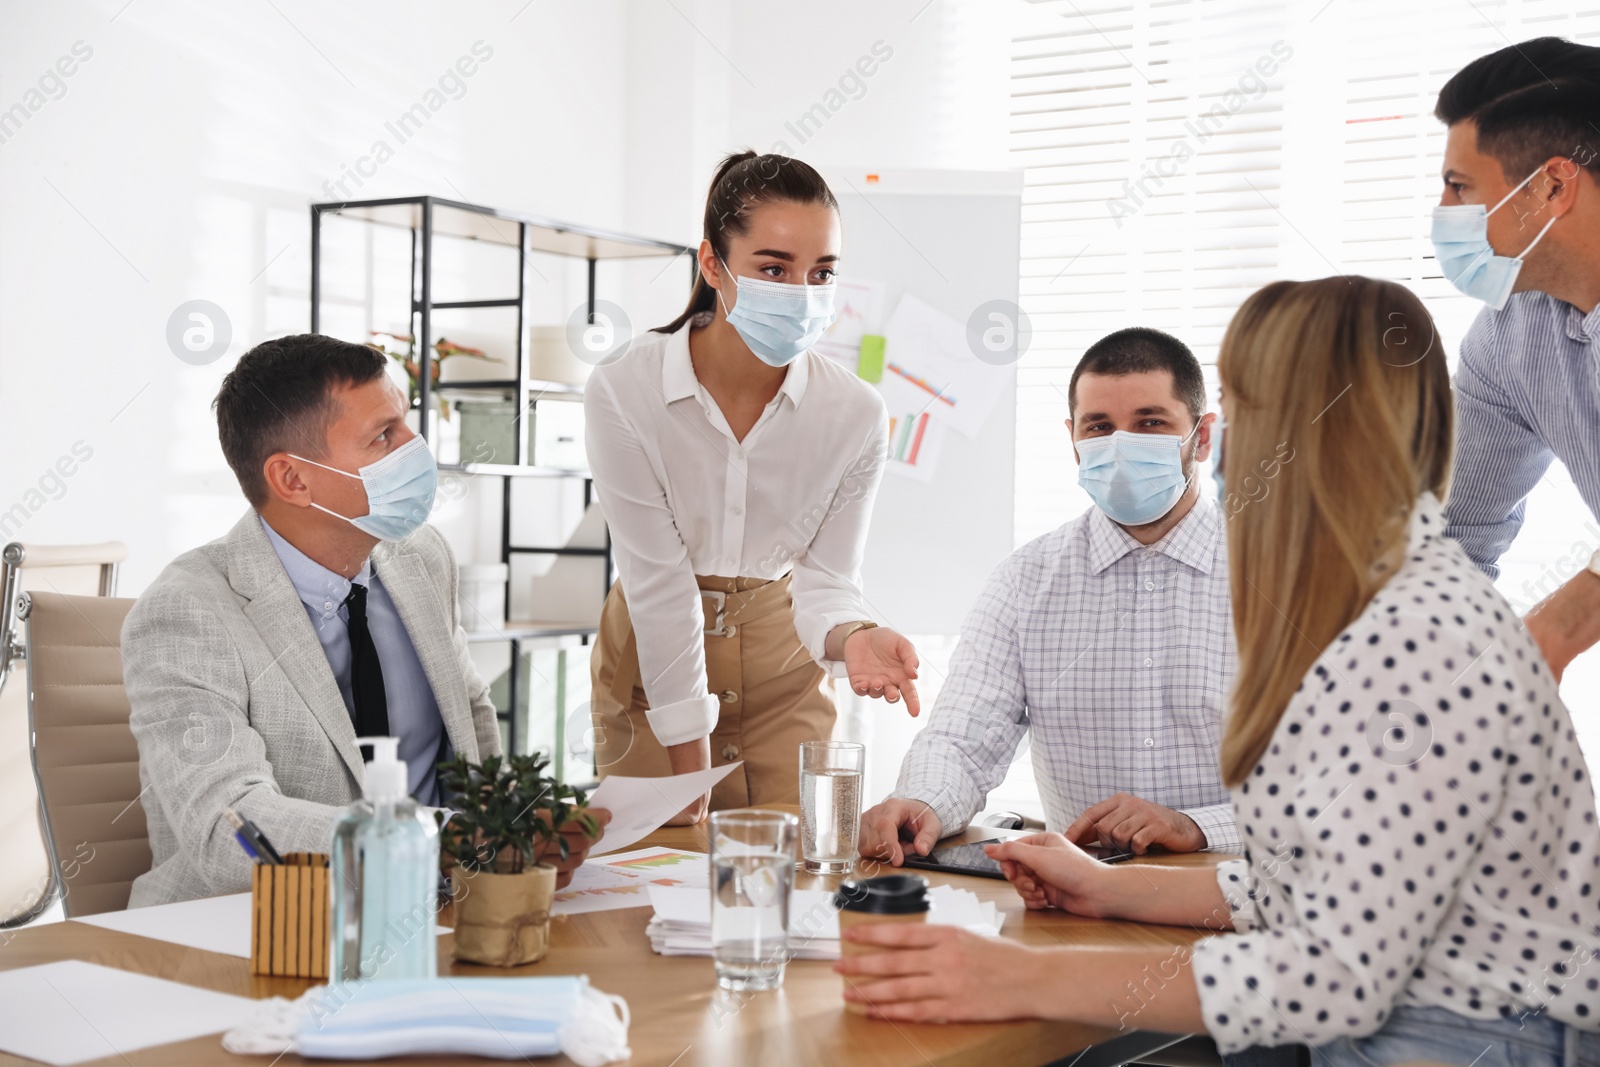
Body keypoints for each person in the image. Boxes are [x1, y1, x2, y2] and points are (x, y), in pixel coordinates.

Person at [834, 277, 1600, 1066]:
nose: (1227, 441)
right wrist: (1104, 885)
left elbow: (1335, 975)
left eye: (1245, 407)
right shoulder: (1395, 587)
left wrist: (1025, 977)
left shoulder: (1404, 629)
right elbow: (1302, 877)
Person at [123, 335, 606, 907]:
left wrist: (514, 823)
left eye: (405, 423)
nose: (415, 446)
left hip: (443, 911)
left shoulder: (422, 557)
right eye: (383, 436)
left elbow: (470, 720)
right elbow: (231, 826)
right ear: (293, 480)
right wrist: (438, 840)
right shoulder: (187, 613)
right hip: (259, 931)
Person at [584, 151, 920, 822]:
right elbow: (659, 584)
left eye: (820, 272)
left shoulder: (853, 413)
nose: (802, 293)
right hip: (651, 673)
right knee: (655, 885)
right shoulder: (625, 389)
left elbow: (826, 581)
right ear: (712, 263)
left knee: (799, 879)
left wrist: (853, 635)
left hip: (784, 673)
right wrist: (689, 768)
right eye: (773, 268)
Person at [857, 328, 1240, 863]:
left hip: (1248, 903)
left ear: (1201, 438)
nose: (1121, 444)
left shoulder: (1288, 576)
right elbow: (965, 740)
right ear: (1073, 439)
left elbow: (1336, 778)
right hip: (1081, 903)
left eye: (1150, 423)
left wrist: (1199, 826)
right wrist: (921, 803)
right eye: (1099, 427)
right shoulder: (1024, 581)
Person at [1433, 37, 1600, 681]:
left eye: (1458, 187)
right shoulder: (1510, 337)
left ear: (1554, 184)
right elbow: (1453, 541)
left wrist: (1555, 627)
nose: (1443, 213)